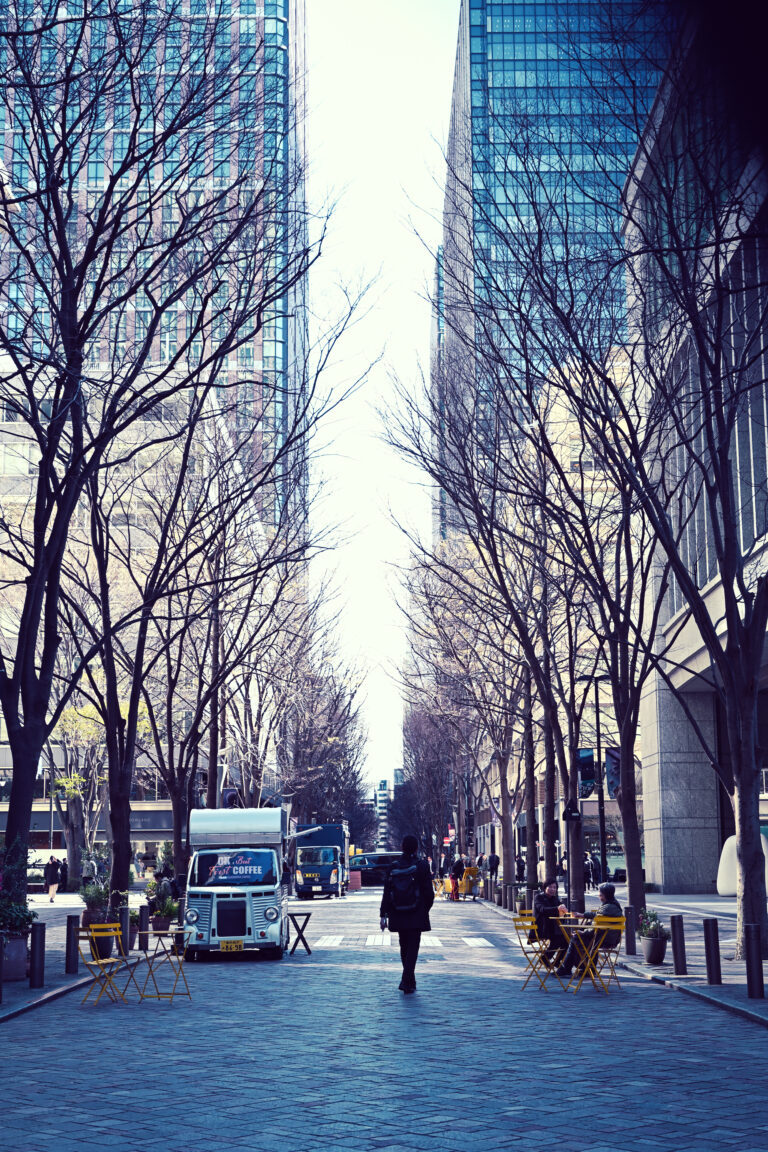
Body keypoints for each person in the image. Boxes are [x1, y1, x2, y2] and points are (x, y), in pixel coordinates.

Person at [380, 834, 435, 994]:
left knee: (404, 946)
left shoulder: (393, 866)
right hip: (416, 912)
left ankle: (410, 981)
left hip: (397, 911)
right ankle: (406, 980)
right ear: (416, 848)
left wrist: (383, 915)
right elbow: (429, 893)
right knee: (413, 948)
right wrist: (424, 909)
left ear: (402, 847)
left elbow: (386, 892)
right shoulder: (422, 865)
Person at [556, 882, 623, 978]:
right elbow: (597, 916)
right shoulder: (613, 905)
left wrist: (583, 932)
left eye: (600, 893)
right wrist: (583, 915)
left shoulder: (607, 907)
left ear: (604, 895)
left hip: (602, 939)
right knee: (584, 940)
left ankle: (567, 968)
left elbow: (596, 926)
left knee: (576, 938)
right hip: (610, 938)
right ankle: (587, 969)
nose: (598, 895)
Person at [533, 878, 569, 962]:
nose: (552, 889)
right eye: (550, 887)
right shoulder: (539, 897)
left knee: (567, 941)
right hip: (541, 928)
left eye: (554, 887)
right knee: (560, 939)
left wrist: (563, 909)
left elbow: (560, 908)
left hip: (553, 928)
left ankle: (556, 962)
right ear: (545, 887)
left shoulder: (555, 899)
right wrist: (557, 908)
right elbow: (542, 909)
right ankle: (545, 959)